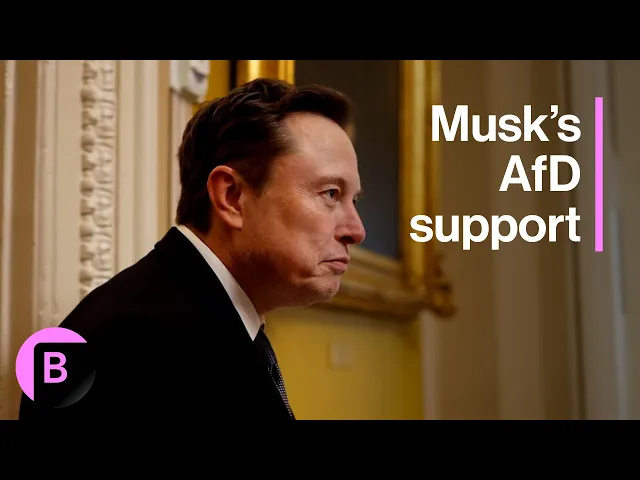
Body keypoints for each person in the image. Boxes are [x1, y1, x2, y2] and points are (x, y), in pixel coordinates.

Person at [19, 77, 366, 420]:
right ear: (232, 197)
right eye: (330, 194)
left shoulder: (191, 320)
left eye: (354, 201)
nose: (356, 231)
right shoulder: (146, 345)